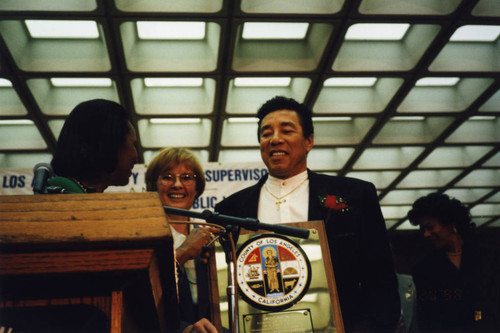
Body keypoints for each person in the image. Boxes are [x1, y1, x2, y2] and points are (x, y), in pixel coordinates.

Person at [215, 96, 401, 332]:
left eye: (286, 130)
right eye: (266, 133)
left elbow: (381, 277)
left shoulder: (355, 195)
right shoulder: (229, 210)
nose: (275, 139)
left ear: (308, 141)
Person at [146, 147, 218, 333]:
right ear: (154, 185)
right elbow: (142, 301)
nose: (177, 184)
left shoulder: (210, 241)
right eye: (167, 177)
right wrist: (182, 253)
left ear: (197, 187)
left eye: (186, 178)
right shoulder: (145, 238)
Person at [408, 193, 500, 333]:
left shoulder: (491, 257)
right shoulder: (424, 268)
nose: (426, 234)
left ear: (451, 224)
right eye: (423, 230)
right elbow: (427, 317)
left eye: (430, 227)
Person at [50, 99, 138, 193]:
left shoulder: (60, 191)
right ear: (108, 144)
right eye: (133, 144)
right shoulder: (61, 197)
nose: (136, 156)